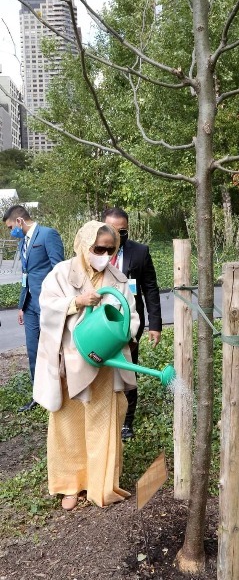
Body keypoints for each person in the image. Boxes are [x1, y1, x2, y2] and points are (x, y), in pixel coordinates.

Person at [32, 221, 138, 511]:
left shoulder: (118, 278)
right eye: (97, 248)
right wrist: (77, 301)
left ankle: (100, 483)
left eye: (109, 249)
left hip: (105, 366)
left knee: (104, 424)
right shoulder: (62, 273)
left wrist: (121, 331)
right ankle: (70, 485)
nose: (103, 254)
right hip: (71, 364)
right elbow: (47, 305)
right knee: (68, 424)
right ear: (83, 244)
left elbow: (133, 317)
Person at [102, 207, 162, 440]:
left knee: (128, 369)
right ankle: (106, 414)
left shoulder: (140, 252)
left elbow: (151, 290)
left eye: (122, 230)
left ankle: (127, 421)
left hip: (130, 325)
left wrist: (155, 325)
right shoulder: (96, 252)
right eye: (112, 230)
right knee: (102, 369)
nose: (117, 235)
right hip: (101, 323)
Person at [2, 205, 64, 412]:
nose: (12, 231)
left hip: (47, 304)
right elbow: (25, 276)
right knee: (33, 351)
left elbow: (59, 270)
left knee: (53, 349)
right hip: (29, 306)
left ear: (19, 221)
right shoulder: (22, 243)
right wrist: (21, 305)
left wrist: (56, 301)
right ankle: (38, 395)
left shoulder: (48, 235)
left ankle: (58, 392)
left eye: (11, 226)